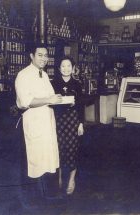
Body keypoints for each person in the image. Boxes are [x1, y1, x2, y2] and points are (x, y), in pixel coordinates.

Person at [15, 44, 62, 199]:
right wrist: (49, 99)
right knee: (35, 160)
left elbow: (50, 97)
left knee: (47, 159)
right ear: (31, 56)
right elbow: (25, 101)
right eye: (40, 55)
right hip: (34, 121)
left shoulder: (44, 74)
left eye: (46, 55)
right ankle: (34, 199)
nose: (44, 58)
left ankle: (48, 195)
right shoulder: (24, 75)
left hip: (47, 122)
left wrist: (61, 99)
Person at [51, 56, 85, 195]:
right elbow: (50, 103)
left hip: (72, 120)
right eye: (63, 66)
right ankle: (58, 177)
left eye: (69, 66)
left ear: (73, 68)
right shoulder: (53, 83)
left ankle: (71, 179)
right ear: (59, 68)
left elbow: (81, 105)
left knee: (72, 148)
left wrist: (81, 124)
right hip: (58, 119)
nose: (66, 69)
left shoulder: (77, 84)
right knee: (58, 148)